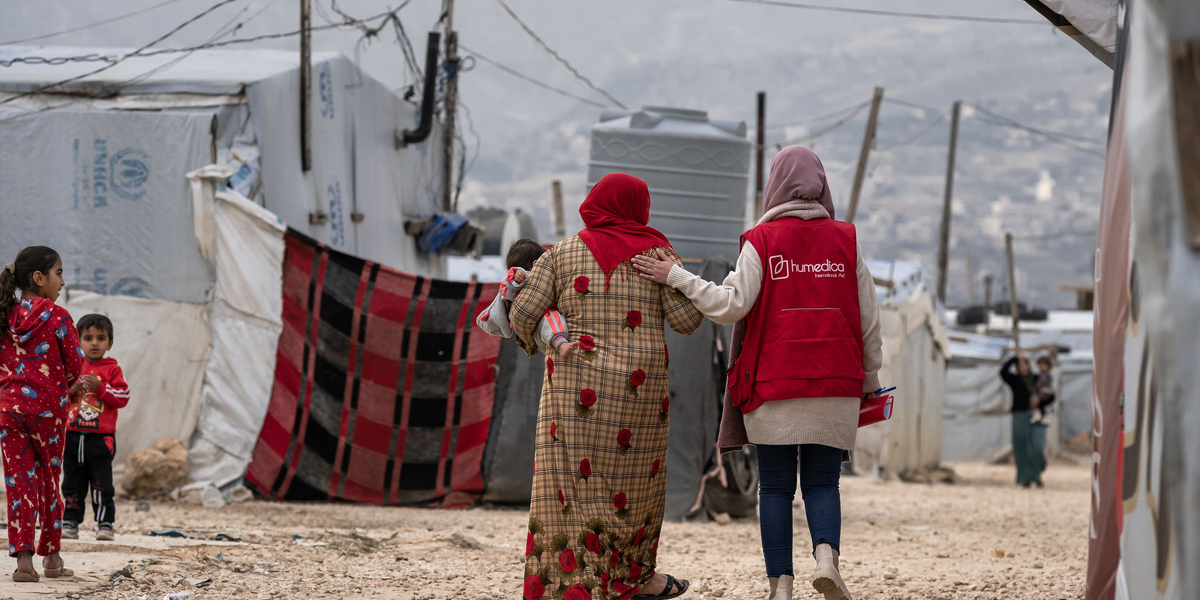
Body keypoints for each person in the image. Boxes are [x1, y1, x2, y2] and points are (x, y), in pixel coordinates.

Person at [633, 146, 883, 600]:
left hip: (774, 385)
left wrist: (677, 276)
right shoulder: (847, 240)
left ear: (775, 185)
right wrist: (870, 376)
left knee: (775, 488)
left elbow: (731, 307)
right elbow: (869, 317)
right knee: (824, 482)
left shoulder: (761, 241)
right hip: (836, 382)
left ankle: (780, 586)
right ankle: (826, 558)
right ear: (822, 184)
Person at [510, 173, 701, 600]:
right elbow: (689, 322)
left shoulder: (561, 254)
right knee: (636, 488)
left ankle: (572, 582)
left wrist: (546, 341)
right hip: (642, 396)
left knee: (571, 486)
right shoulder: (658, 256)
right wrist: (672, 276)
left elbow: (523, 315)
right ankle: (632, 577)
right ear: (639, 207)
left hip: (574, 391)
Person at [0, 246, 84, 582]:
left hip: (8, 411)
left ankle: (23, 563)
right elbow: (76, 368)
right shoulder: (58, 315)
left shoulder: (4, 314)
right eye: (58, 273)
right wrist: (70, 386)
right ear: (39, 278)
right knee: (49, 482)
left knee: (19, 483)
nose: (62, 281)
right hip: (48, 413)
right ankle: (51, 559)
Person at [62, 313, 130, 542]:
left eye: (100, 338)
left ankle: (105, 523)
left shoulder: (112, 370)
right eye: (88, 338)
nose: (94, 343)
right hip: (72, 437)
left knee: (102, 483)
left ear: (109, 343)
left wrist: (100, 388)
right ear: (78, 341)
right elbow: (60, 399)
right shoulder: (73, 367)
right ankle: (70, 521)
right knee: (72, 482)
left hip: (101, 439)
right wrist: (70, 390)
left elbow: (123, 396)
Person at [476, 239, 577, 358]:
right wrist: (517, 277)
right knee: (551, 316)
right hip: (541, 324)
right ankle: (562, 345)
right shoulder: (521, 277)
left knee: (552, 319)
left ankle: (560, 344)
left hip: (542, 334)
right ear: (536, 264)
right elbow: (507, 288)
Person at [999, 354, 1048, 487]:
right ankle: (1026, 477)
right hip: (1020, 414)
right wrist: (1015, 358)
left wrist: (1040, 400)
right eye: (1020, 366)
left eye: (1025, 364)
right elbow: (1003, 372)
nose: (1023, 367)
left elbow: (1050, 394)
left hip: (1036, 414)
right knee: (1021, 446)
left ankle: (1037, 472)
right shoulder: (1014, 379)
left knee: (1037, 446)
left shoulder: (1037, 379)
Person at [1029, 355, 1056, 426]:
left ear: (1047, 366)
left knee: (1035, 402)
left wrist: (1037, 387)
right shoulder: (1042, 374)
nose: (1041, 367)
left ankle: (1038, 415)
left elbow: (1042, 384)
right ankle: (1041, 417)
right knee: (1039, 405)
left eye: (1043, 365)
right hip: (1043, 393)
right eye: (1040, 365)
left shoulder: (1046, 374)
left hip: (1044, 393)